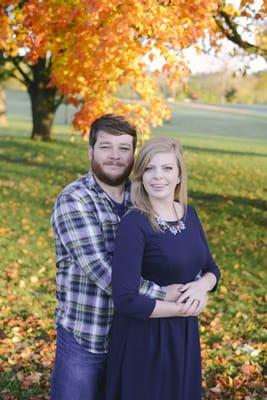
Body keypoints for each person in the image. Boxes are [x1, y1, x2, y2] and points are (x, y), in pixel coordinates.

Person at [50, 115, 195, 400]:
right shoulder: (74, 200)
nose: (115, 156)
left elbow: (176, 247)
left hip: (134, 336)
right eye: (106, 147)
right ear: (90, 151)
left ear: (133, 155)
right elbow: (103, 272)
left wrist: (200, 283)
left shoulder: (142, 196)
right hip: (87, 335)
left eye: (124, 148)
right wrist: (166, 294)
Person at [106, 137, 221, 400]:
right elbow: (125, 300)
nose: (158, 177)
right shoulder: (135, 223)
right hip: (144, 339)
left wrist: (202, 286)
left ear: (179, 175)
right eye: (149, 168)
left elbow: (211, 267)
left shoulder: (189, 214)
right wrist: (183, 309)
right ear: (141, 176)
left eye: (167, 168)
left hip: (183, 337)